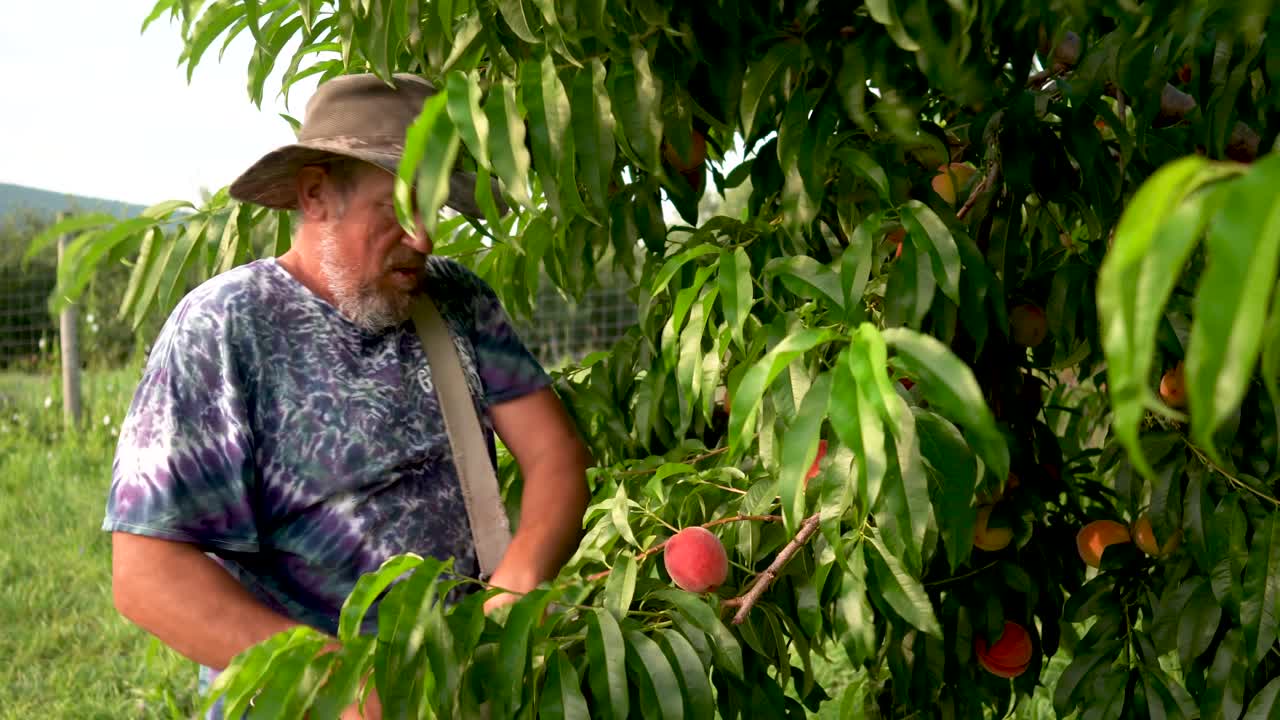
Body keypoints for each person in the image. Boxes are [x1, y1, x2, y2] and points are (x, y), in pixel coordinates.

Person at [103, 73, 594, 719]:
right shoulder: (226, 327)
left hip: (457, 686)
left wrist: (515, 586)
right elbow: (148, 574)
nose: (424, 238)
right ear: (316, 195)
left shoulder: (456, 301)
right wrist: (339, 684)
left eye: (434, 207)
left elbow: (555, 455)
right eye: (395, 207)